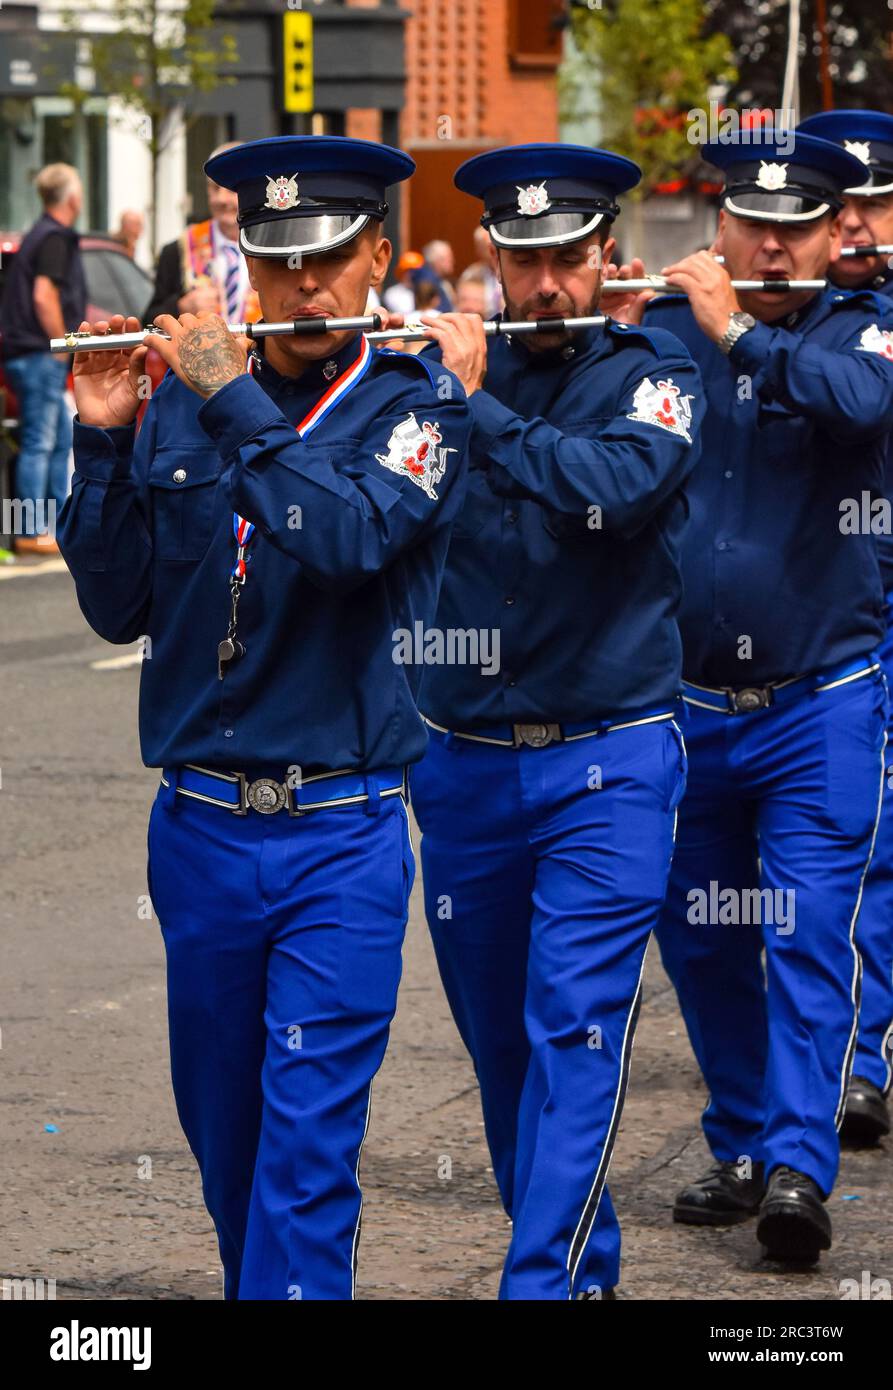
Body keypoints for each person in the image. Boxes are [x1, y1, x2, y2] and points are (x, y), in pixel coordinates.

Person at [57, 134, 471, 1301]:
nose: (303, 285)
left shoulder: (415, 406)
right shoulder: (186, 403)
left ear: (376, 256)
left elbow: (344, 540)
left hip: (338, 834)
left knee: (304, 1156)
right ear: (247, 263)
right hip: (197, 831)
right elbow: (117, 604)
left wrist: (230, 397)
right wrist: (99, 441)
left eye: (329, 258)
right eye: (277, 259)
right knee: (227, 1145)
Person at [408, 143, 704, 1300]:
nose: (544, 284)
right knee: (502, 1051)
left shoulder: (653, 371)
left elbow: (612, 488)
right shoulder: (443, 375)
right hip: (466, 761)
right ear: (490, 255)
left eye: (566, 260)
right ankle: (580, 1269)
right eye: (522, 258)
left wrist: (472, 408)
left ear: (602, 256)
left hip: (609, 755)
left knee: (571, 1029)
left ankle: (535, 1286)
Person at [616, 130, 893, 1262]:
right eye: (752, 228)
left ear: (832, 238)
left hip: (819, 698)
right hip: (683, 703)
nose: (771, 247)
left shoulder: (861, 329)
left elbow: (856, 407)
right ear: (717, 229)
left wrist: (734, 328)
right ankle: (736, 1138)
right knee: (702, 940)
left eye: (796, 231)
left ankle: (795, 1164)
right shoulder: (655, 334)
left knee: (809, 934)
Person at [797, 110, 893, 1146]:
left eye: (875, 203)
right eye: (845, 206)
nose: (861, 224)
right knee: (857, 839)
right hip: (844, 596)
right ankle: (854, 1057)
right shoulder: (807, 313)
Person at [0, 162, 86, 555]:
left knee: (57, 439)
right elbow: (43, 295)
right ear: (71, 198)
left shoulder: (39, 233)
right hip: (39, 353)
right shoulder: (55, 237)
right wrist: (62, 346)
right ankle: (30, 532)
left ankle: (53, 527)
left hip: (28, 353)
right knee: (40, 441)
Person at [143, 142, 261, 327]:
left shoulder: (274, 246)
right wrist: (181, 306)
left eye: (231, 189)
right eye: (215, 189)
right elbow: (149, 320)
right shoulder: (178, 251)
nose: (221, 199)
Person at [421, 238, 456, 309]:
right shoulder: (428, 283)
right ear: (436, 260)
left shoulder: (442, 281)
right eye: (448, 258)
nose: (453, 261)